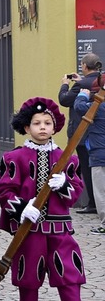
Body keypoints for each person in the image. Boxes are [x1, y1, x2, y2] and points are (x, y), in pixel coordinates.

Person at [0, 97, 85, 301]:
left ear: (55, 128)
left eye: (47, 123)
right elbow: (3, 190)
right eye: (37, 123)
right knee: (28, 281)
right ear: (27, 127)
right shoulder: (14, 158)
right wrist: (22, 208)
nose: (42, 127)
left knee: (70, 278)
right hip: (30, 230)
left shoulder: (68, 159)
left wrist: (64, 184)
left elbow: (75, 194)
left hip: (60, 230)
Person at [58, 53, 102, 214]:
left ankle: (92, 203)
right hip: (98, 134)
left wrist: (65, 84)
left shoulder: (81, 85)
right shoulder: (99, 82)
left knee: (88, 168)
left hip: (82, 134)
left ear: (84, 66)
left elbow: (65, 100)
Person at [74, 81, 105, 235]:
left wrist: (82, 95)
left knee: (101, 191)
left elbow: (79, 107)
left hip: (100, 155)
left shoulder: (99, 107)